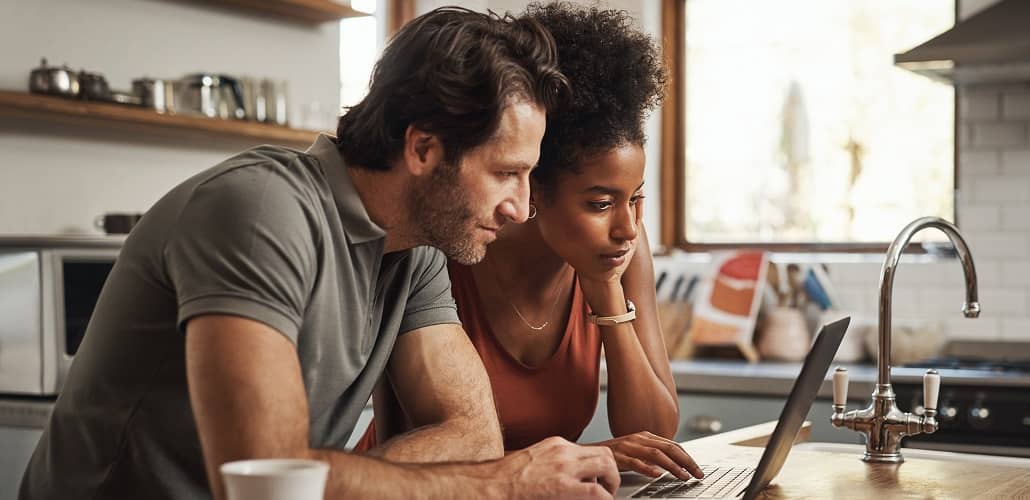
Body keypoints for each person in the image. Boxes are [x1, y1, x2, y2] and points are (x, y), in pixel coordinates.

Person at [19, 7, 622, 500]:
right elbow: (265, 476)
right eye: (505, 174)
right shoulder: (260, 211)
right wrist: (501, 486)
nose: (521, 207)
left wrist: (326, 478)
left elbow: (471, 434)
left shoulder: (418, 252)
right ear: (423, 149)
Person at [355, 2, 703, 482]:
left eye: (636, 199)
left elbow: (655, 435)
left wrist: (604, 293)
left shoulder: (618, 252)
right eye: (600, 204)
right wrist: (588, 457)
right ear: (534, 186)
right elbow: (421, 442)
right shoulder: (451, 244)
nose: (627, 227)